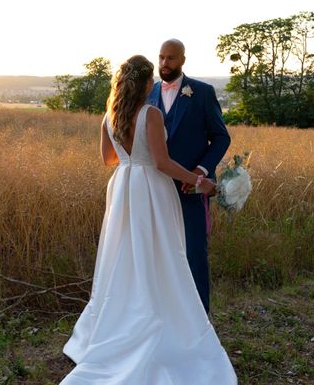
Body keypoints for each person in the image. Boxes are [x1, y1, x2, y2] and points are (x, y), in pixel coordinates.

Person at [61, 55, 237, 384]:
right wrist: (202, 181)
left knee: (125, 255)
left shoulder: (109, 116)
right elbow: (162, 163)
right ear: (146, 84)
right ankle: (155, 321)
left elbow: (108, 159)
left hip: (123, 188)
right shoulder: (151, 114)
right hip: (151, 191)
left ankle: (121, 320)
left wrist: (129, 156)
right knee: (161, 254)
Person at [147, 39, 231, 312]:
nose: (164, 64)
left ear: (183, 60)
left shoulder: (203, 93)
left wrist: (200, 172)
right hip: (153, 187)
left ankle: (199, 320)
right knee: (157, 254)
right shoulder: (147, 94)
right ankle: (165, 316)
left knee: (195, 254)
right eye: (161, 57)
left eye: (170, 58)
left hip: (190, 189)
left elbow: (220, 138)